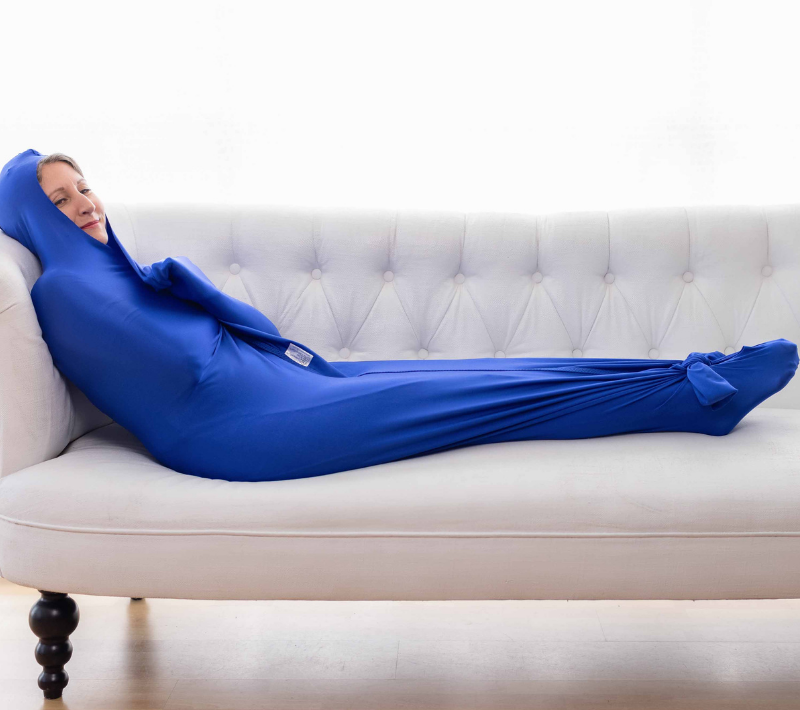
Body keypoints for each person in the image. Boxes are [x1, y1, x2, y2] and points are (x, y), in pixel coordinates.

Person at [0, 148, 797, 482]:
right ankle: (693, 401)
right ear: (30, 217)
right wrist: (197, 306)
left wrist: (200, 294)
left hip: (274, 385)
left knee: (488, 372)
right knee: (485, 403)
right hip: (234, 430)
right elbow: (184, 373)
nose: (84, 204)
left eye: (84, 187)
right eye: (59, 200)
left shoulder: (125, 272)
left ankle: (693, 374)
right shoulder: (64, 293)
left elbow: (252, 335)